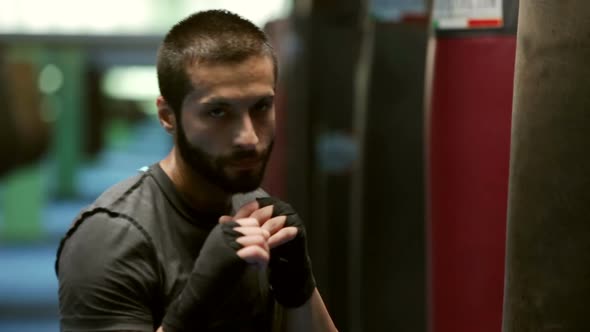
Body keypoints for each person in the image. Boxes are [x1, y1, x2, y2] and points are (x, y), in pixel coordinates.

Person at [55, 9, 337, 332]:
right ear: (167, 116)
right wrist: (192, 307)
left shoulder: (253, 206)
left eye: (261, 107)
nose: (248, 137)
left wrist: (300, 288)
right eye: (218, 112)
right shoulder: (112, 238)